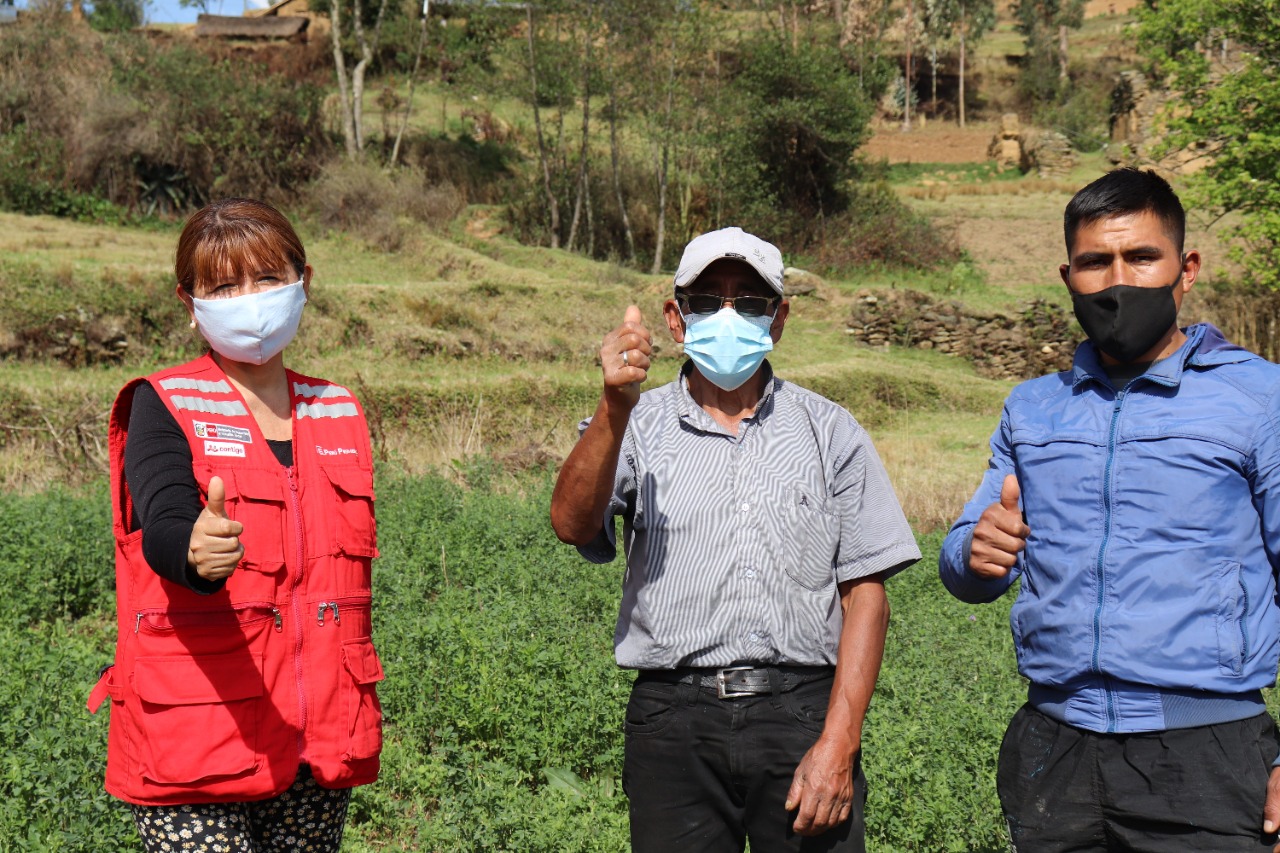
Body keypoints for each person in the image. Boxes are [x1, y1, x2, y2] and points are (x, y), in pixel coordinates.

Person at [939, 167, 1280, 852]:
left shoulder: (1258, 397)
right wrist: (975, 551)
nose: (1117, 280)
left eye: (1141, 257)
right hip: (1055, 746)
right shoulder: (1034, 407)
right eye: (1096, 261)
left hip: (1206, 750)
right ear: (1069, 276)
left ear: (1185, 269)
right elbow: (964, 559)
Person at [550, 226, 920, 852]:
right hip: (673, 719)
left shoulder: (830, 431)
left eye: (749, 301)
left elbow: (866, 596)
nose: (728, 314)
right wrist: (614, 405)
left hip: (802, 711)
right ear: (675, 317)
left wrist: (839, 740)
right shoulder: (635, 426)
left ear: (777, 320)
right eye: (706, 299)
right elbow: (572, 523)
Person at [87, 198, 384, 852]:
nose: (249, 299)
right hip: (197, 735)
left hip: (318, 737)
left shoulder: (338, 409)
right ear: (190, 301)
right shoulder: (162, 402)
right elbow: (163, 518)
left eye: (267, 277)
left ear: (304, 282)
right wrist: (195, 548)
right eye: (223, 285)